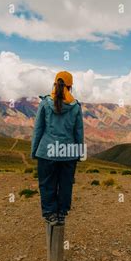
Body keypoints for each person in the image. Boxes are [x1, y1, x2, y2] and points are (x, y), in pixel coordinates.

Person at [31, 71, 85, 227]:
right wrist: (79, 154)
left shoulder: (45, 103)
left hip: (46, 153)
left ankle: (50, 214)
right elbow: (78, 132)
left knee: (47, 183)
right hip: (68, 154)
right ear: (70, 86)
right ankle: (61, 213)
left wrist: (34, 151)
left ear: (55, 84)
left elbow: (38, 129)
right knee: (65, 184)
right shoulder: (75, 107)